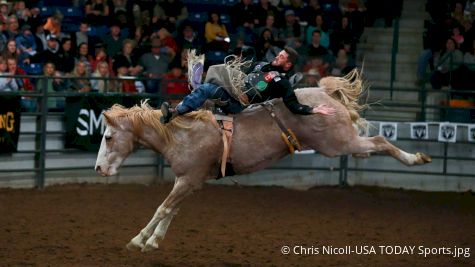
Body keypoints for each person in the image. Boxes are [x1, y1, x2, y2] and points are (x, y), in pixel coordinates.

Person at [160, 46, 335, 123]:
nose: (277, 57)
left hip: (240, 104)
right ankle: (194, 94)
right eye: (279, 54)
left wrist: (313, 110)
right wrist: (239, 61)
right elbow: (241, 70)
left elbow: (293, 105)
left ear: (288, 65)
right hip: (232, 91)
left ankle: (177, 111)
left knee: (207, 88)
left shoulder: (281, 82)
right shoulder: (259, 65)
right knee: (220, 69)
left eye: (281, 57)